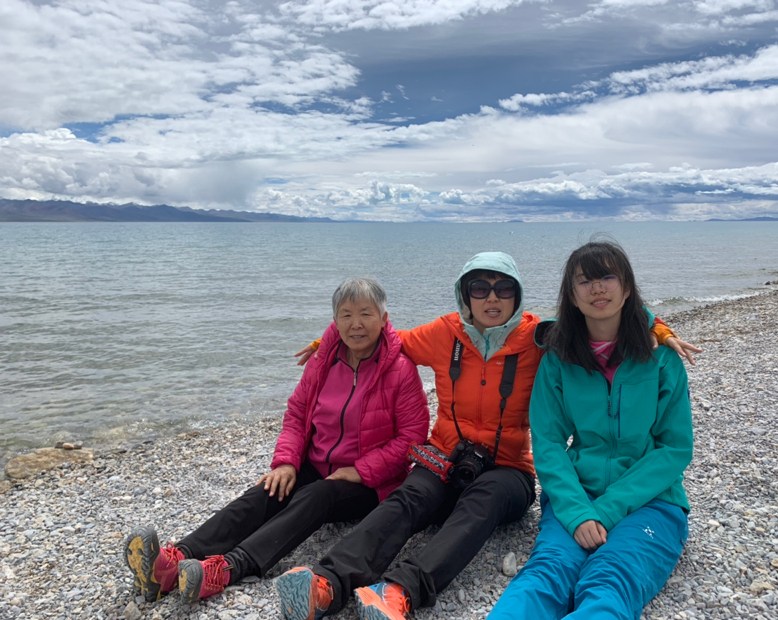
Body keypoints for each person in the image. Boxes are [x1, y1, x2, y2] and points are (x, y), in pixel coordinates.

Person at [276, 252, 698, 620]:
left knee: (481, 503)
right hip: (446, 456)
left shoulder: (540, 338)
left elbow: (601, 317)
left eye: (503, 288)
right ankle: (327, 582)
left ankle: (399, 592)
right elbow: (383, 338)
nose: (492, 298)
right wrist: (330, 339)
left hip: (509, 468)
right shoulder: (444, 333)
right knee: (409, 497)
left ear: (517, 296)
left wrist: (658, 329)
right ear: (465, 295)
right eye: (479, 288)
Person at [123, 277, 429, 604]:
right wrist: (286, 462)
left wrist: (361, 470)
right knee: (268, 490)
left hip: (369, 483)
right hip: (316, 464)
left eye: (366, 314)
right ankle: (175, 562)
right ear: (335, 321)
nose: (356, 324)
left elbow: (412, 438)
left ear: (383, 319)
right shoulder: (323, 361)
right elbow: (297, 413)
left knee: (317, 495)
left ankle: (228, 569)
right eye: (347, 314)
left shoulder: (400, 369)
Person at [487, 241, 693, 620]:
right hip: (576, 495)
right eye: (585, 280)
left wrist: (607, 510)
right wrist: (579, 512)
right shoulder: (558, 359)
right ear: (572, 296)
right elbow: (548, 441)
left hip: (651, 500)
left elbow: (675, 448)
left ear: (627, 289)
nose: (597, 287)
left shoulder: (662, 357)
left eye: (608, 277)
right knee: (546, 573)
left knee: (610, 578)